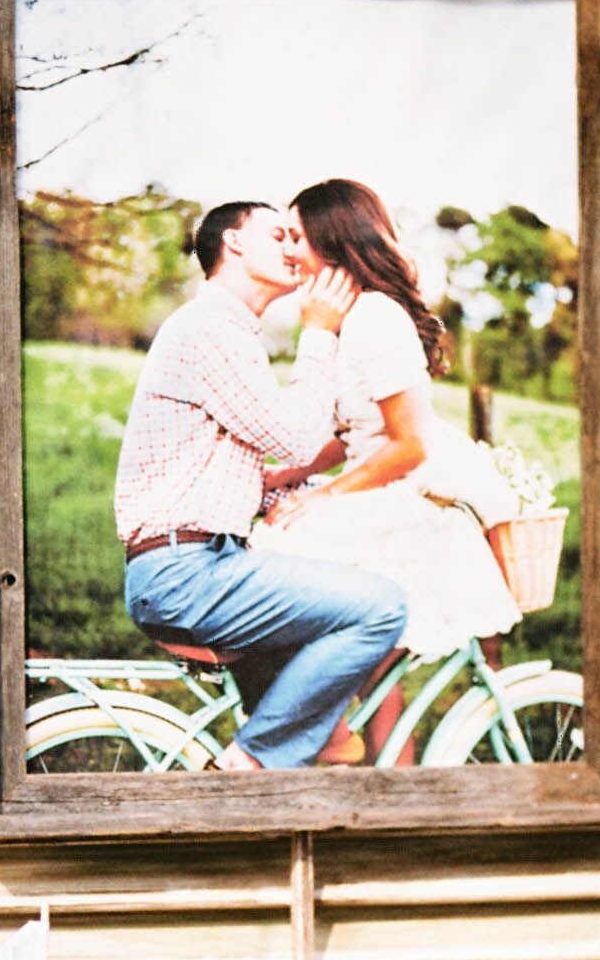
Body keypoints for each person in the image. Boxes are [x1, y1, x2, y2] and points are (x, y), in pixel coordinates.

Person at [113, 198, 409, 770]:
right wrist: (319, 334)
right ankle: (250, 762)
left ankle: (298, 786)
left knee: (334, 743)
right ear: (236, 244)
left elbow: (241, 467)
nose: (294, 249)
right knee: (380, 607)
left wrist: (295, 495)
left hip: (197, 561)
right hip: (188, 574)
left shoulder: (227, 332)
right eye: (278, 235)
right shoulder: (209, 330)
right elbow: (296, 438)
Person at [258, 176, 522, 655]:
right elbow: (358, 433)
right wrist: (289, 475)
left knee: (275, 549)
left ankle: (316, 723)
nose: (288, 252)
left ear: (331, 238)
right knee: (366, 644)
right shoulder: (342, 318)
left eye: (296, 237)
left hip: (412, 496)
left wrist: (324, 498)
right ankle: (371, 730)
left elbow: (410, 443)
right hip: (381, 487)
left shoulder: (374, 317)